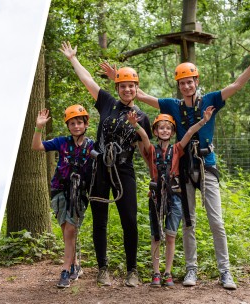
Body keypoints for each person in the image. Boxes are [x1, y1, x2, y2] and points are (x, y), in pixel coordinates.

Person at [133, 45, 250, 289]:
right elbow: (142, 96)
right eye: (183, 82)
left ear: (197, 81)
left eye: (190, 81)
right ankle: (191, 270)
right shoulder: (173, 105)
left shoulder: (210, 100)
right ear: (179, 85)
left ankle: (225, 271)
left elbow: (236, 86)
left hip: (207, 165)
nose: (187, 86)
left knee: (216, 221)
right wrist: (120, 78)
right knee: (189, 221)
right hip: (184, 169)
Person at [60, 41, 152, 287]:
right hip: (99, 167)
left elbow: (146, 150)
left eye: (131, 86)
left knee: (129, 220)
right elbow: (88, 80)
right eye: (123, 86)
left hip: (124, 169)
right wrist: (73, 59)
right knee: (100, 220)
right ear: (117, 87)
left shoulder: (143, 117)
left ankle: (132, 271)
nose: (127, 90)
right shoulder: (107, 103)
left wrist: (155, 172)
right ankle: (103, 269)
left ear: (136, 88)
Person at [127, 107, 214, 287]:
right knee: (156, 236)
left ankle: (168, 272)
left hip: (174, 196)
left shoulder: (177, 149)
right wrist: (135, 124)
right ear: (156, 131)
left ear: (172, 131)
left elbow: (189, 133)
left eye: (168, 128)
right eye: (161, 128)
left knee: (170, 236)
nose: (165, 130)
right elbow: (143, 136)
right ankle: (156, 273)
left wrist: (204, 120)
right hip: (156, 197)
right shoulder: (150, 150)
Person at [31, 105, 94, 288]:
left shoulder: (92, 146)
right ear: (68, 126)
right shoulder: (62, 142)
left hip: (79, 192)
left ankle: (65, 269)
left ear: (85, 124)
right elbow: (36, 146)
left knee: (71, 230)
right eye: (72, 123)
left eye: (79, 122)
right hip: (59, 190)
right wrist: (39, 127)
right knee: (67, 229)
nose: (76, 126)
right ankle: (74, 265)